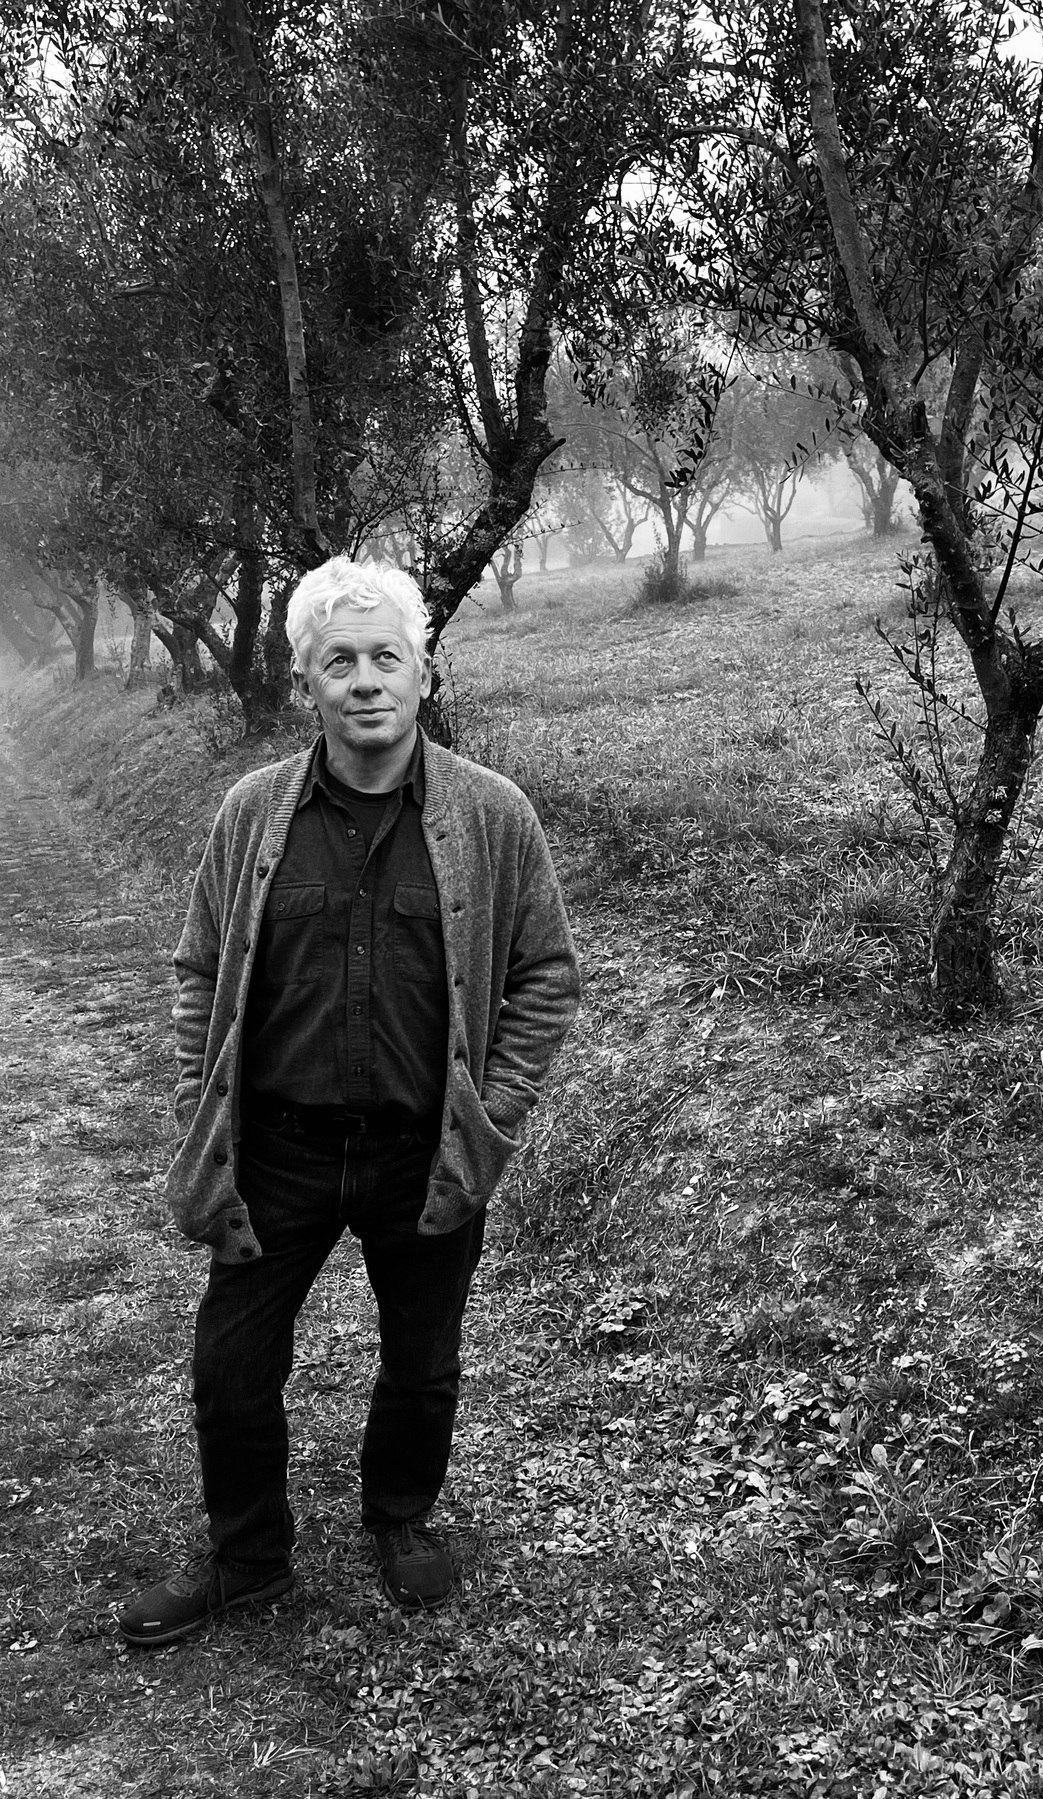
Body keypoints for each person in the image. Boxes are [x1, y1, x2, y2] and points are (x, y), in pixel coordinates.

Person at [119, 558, 579, 1647]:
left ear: (424, 673)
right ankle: (248, 1555)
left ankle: (401, 1514)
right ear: (306, 683)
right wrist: (200, 1104)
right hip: (273, 1146)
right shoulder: (251, 812)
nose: (366, 680)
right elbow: (199, 969)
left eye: (387, 657)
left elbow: (545, 974)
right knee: (231, 1369)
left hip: (425, 1150)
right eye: (341, 661)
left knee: (423, 1358)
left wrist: (495, 1114)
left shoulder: (493, 814)